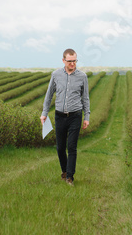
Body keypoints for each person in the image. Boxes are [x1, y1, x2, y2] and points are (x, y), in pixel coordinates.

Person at [40, 49, 90, 186]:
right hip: (59, 116)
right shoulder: (56, 75)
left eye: (74, 61)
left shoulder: (82, 76)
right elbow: (49, 95)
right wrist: (44, 113)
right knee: (60, 147)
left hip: (75, 116)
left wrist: (87, 117)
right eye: (70, 61)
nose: (72, 64)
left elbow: (85, 98)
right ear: (63, 60)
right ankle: (64, 171)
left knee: (72, 146)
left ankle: (70, 177)